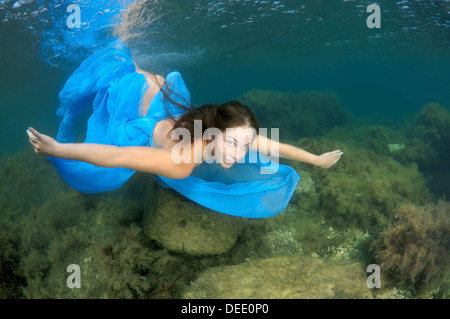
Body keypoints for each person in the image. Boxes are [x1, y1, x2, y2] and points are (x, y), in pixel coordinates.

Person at [26, 39, 343, 218]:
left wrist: (316, 160)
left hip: (167, 102)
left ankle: (132, 56)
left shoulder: (229, 131)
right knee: (130, 75)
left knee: (152, 78)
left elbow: (275, 147)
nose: (239, 153)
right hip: (139, 105)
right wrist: (57, 149)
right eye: (233, 144)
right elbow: (116, 155)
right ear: (216, 133)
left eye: (244, 146)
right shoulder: (179, 163)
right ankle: (123, 47)